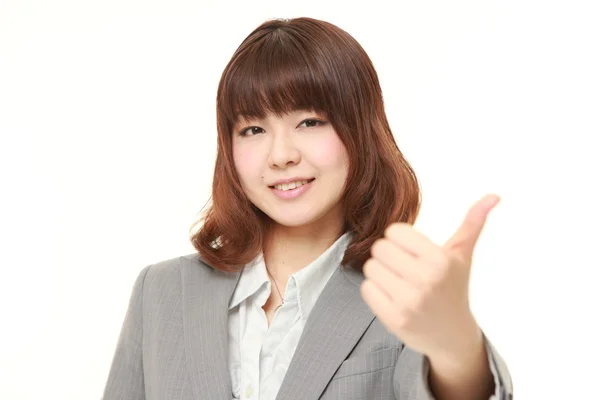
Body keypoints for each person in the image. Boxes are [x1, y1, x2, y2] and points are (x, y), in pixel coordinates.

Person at [102, 17, 513, 400]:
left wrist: (458, 345)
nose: (280, 155)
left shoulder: (399, 294)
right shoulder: (160, 293)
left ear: (359, 129)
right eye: (253, 129)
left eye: (310, 122)